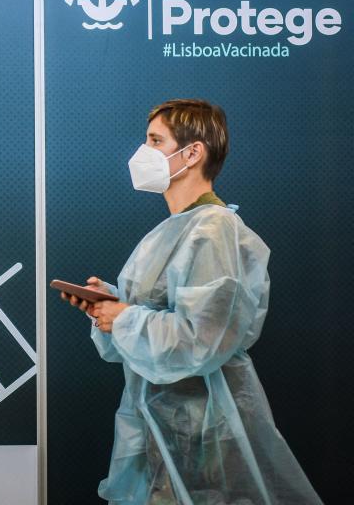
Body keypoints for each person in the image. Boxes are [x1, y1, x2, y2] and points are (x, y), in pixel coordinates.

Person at [61, 99, 322, 504]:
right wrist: (108, 309)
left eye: (155, 140)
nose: (142, 152)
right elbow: (153, 327)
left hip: (201, 430)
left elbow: (202, 341)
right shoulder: (174, 231)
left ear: (193, 152)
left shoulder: (214, 231)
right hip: (162, 422)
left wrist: (126, 317)